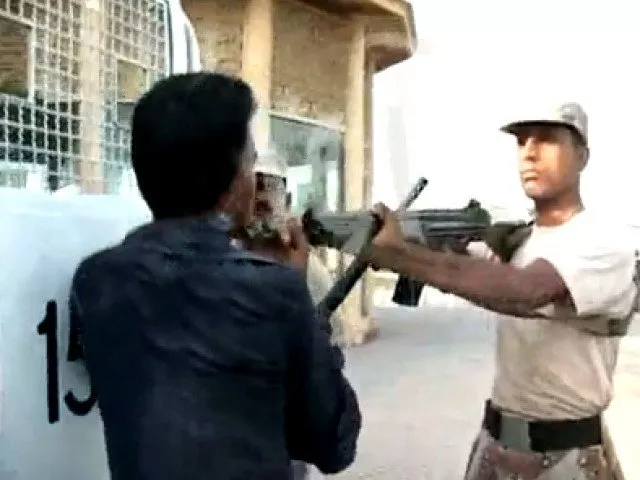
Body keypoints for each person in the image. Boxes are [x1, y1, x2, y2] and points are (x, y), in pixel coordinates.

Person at [68, 72, 361, 480]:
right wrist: (300, 303)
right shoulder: (276, 291)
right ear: (234, 185)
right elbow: (334, 444)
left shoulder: (95, 281)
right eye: (250, 163)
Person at [368, 102, 637, 479]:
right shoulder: (519, 240)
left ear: (582, 156)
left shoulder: (604, 241)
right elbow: (470, 271)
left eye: (547, 140)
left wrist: (401, 256)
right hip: (496, 443)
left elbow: (525, 291)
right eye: (522, 141)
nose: (529, 153)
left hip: (565, 457)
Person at [252, 149, 346, 480]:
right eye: (254, 185)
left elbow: (328, 347)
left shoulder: (307, 270)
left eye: (270, 186)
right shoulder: (220, 259)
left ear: (287, 199)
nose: (261, 197)